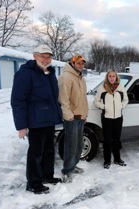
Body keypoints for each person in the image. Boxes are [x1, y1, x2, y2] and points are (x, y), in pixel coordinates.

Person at [11, 45, 63, 194]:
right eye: (43, 56)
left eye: (48, 57)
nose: (46, 60)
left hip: (49, 119)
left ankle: (47, 176)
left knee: (49, 150)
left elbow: (53, 98)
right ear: (35, 56)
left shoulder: (50, 73)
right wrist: (21, 126)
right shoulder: (25, 74)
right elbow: (17, 100)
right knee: (36, 153)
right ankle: (33, 183)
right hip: (35, 120)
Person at [58, 54, 88, 182]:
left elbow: (84, 99)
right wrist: (68, 115)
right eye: (79, 63)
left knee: (78, 144)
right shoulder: (66, 77)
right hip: (72, 118)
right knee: (71, 145)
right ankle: (66, 170)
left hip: (80, 117)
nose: (81, 65)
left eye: (83, 63)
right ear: (73, 63)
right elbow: (63, 99)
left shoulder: (80, 78)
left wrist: (85, 114)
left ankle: (73, 165)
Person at [94, 69, 129, 169]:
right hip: (107, 118)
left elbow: (126, 99)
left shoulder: (121, 87)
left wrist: (121, 105)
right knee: (107, 140)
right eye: (110, 76)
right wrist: (104, 107)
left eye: (113, 76)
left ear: (116, 77)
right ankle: (107, 160)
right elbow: (96, 102)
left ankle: (117, 159)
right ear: (107, 77)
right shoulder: (102, 88)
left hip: (118, 118)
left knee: (117, 140)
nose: (112, 78)